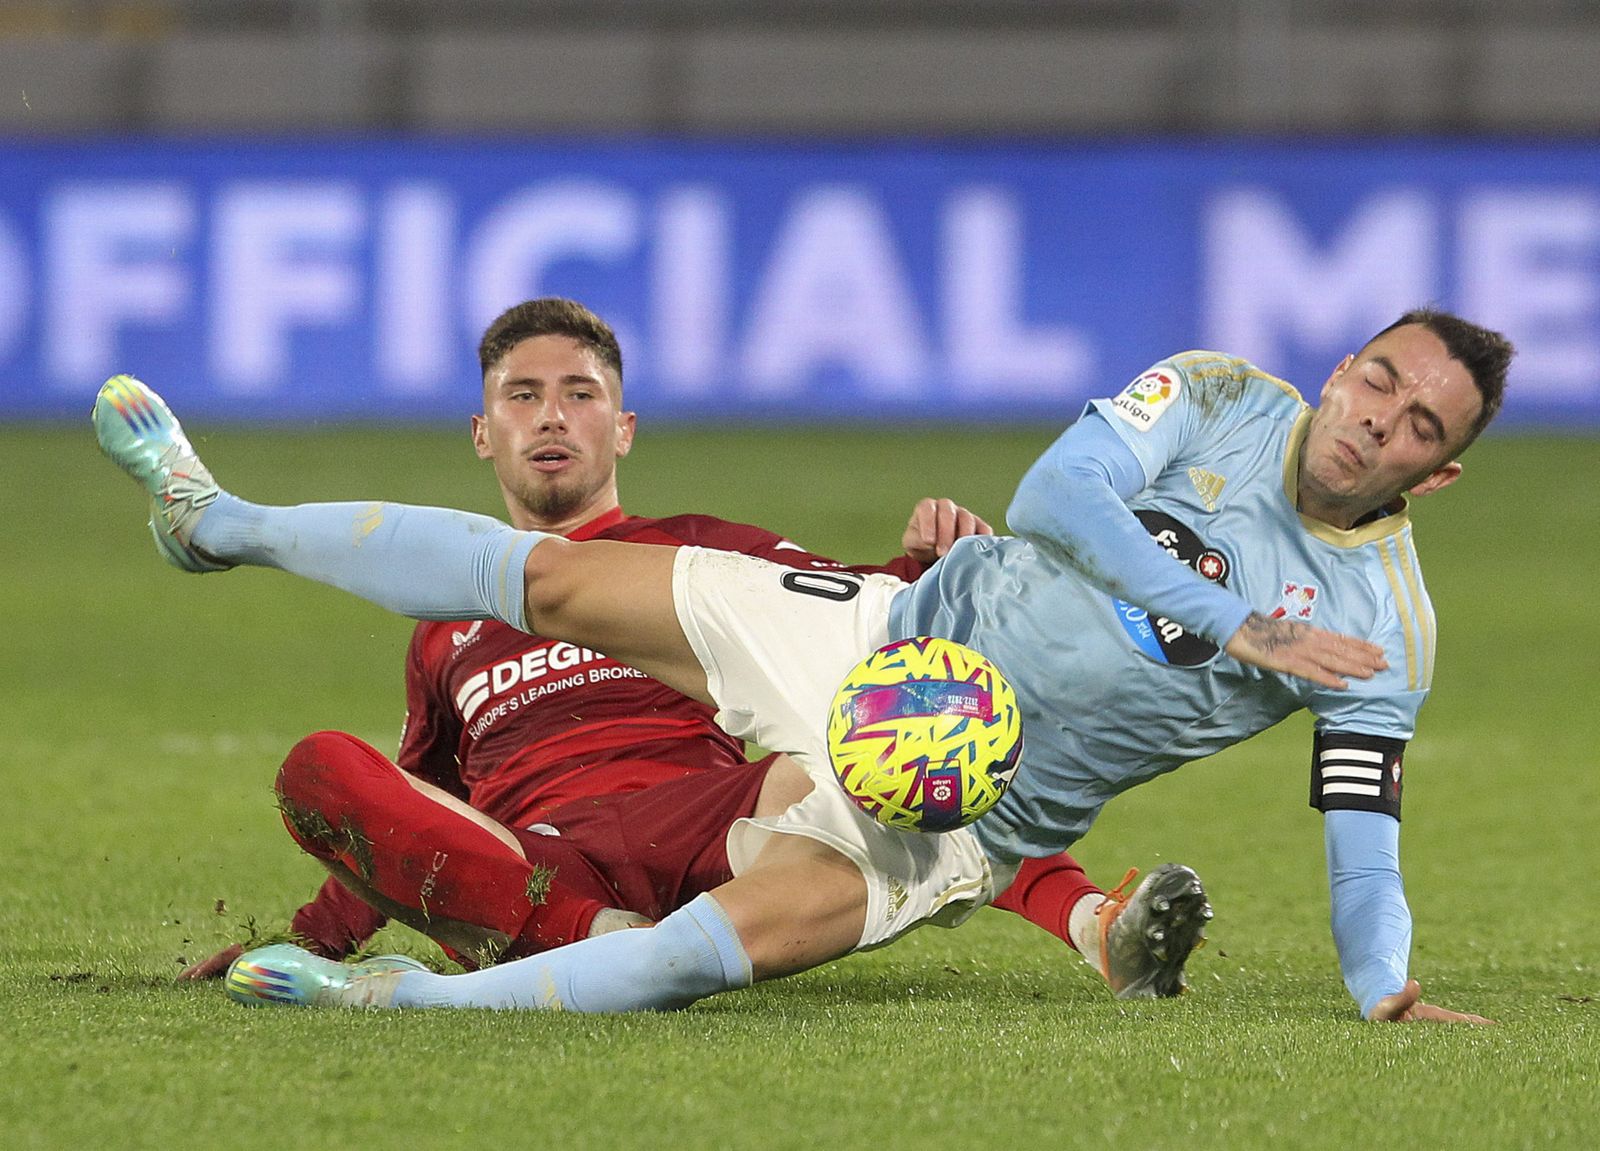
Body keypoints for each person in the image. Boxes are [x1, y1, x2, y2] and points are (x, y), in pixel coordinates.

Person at [95, 308, 1506, 1022]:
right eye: (1377, 378)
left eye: (1419, 425)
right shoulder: (1217, 394)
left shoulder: (1385, 630)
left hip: (962, 803)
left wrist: (1382, 978)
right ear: (1346, 364)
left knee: (724, 950)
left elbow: (1363, 823)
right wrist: (1241, 626)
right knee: (560, 576)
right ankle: (216, 521)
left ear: (1437, 476)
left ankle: (407, 1003)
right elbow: (1063, 491)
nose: (1378, 421)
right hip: (883, 635)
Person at [161, 297, 1196, 997]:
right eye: (522, 396)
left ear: (625, 428)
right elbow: (405, 803)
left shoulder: (704, 556)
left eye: (580, 394)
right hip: (540, 858)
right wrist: (311, 935)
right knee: (322, 767)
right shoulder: (442, 630)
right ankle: (599, 946)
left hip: (720, 830)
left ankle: (1093, 921)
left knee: (911, 724)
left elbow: (848, 628)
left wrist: (920, 562)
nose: (552, 417)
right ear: (484, 433)